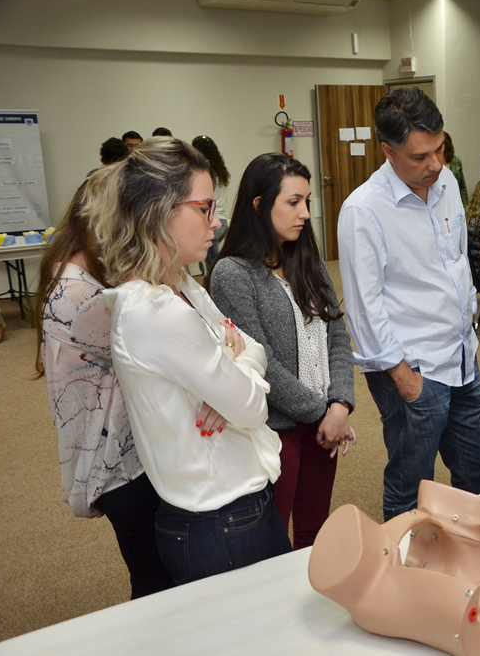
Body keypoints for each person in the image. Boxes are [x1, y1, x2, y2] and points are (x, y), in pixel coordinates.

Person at [91, 137, 291, 584]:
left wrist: (236, 373)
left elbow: (254, 347)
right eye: (204, 208)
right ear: (158, 212)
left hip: (241, 507)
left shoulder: (181, 283)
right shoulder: (155, 311)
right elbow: (253, 408)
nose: (216, 221)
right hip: (220, 522)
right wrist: (236, 381)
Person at [337, 87, 480, 521]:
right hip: (411, 368)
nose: (436, 164)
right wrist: (404, 378)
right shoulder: (363, 210)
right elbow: (363, 308)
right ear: (387, 151)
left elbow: (456, 261)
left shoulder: (445, 183)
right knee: (411, 483)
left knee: (477, 467)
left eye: (440, 149)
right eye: (420, 156)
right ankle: (404, 560)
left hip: (461, 357)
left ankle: (471, 548)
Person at [34, 179, 174, 598]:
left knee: (155, 574)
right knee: (156, 581)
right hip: (120, 468)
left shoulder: (78, 274)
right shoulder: (81, 295)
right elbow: (166, 348)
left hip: (118, 461)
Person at [209, 153, 356, 550]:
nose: (305, 213)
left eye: (307, 201)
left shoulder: (307, 259)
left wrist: (341, 402)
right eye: (293, 202)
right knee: (271, 541)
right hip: (277, 429)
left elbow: (337, 336)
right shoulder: (233, 274)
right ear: (259, 205)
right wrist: (325, 413)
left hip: (324, 423)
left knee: (314, 532)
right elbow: (262, 363)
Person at [191, 135, 231, 273]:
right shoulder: (220, 170)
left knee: (210, 268)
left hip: (210, 221)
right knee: (209, 264)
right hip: (223, 222)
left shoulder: (204, 171)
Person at [442, 131, 468, 206]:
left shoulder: (456, 161)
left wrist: (465, 207)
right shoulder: (435, 162)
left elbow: (462, 187)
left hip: (456, 200)